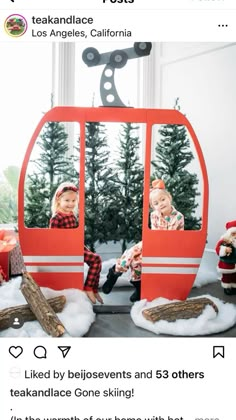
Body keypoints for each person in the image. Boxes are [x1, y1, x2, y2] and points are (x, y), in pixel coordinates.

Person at [102, 179, 184, 302]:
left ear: (169, 198)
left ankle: (130, 282)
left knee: (137, 259)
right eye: (156, 203)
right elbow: (154, 231)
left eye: (163, 199)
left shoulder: (178, 216)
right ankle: (115, 273)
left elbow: (170, 237)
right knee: (132, 254)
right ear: (153, 206)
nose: (160, 204)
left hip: (167, 246)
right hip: (153, 241)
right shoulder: (154, 215)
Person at [49, 181, 103, 305]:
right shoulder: (57, 218)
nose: (71, 204)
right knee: (95, 260)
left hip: (75, 244)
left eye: (73, 201)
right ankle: (88, 288)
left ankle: (93, 288)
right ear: (58, 200)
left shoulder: (72, 215)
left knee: (97, 260)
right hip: (67, 249)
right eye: (67, 200)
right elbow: (54, 239)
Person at [215, 220, 236, 295]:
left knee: (234, 277)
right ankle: (227, 288)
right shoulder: (224, 240)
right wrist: (224, 250)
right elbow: (217, 250)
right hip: (227, 264)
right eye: (233, 233)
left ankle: (234, 287)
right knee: (227, 277)